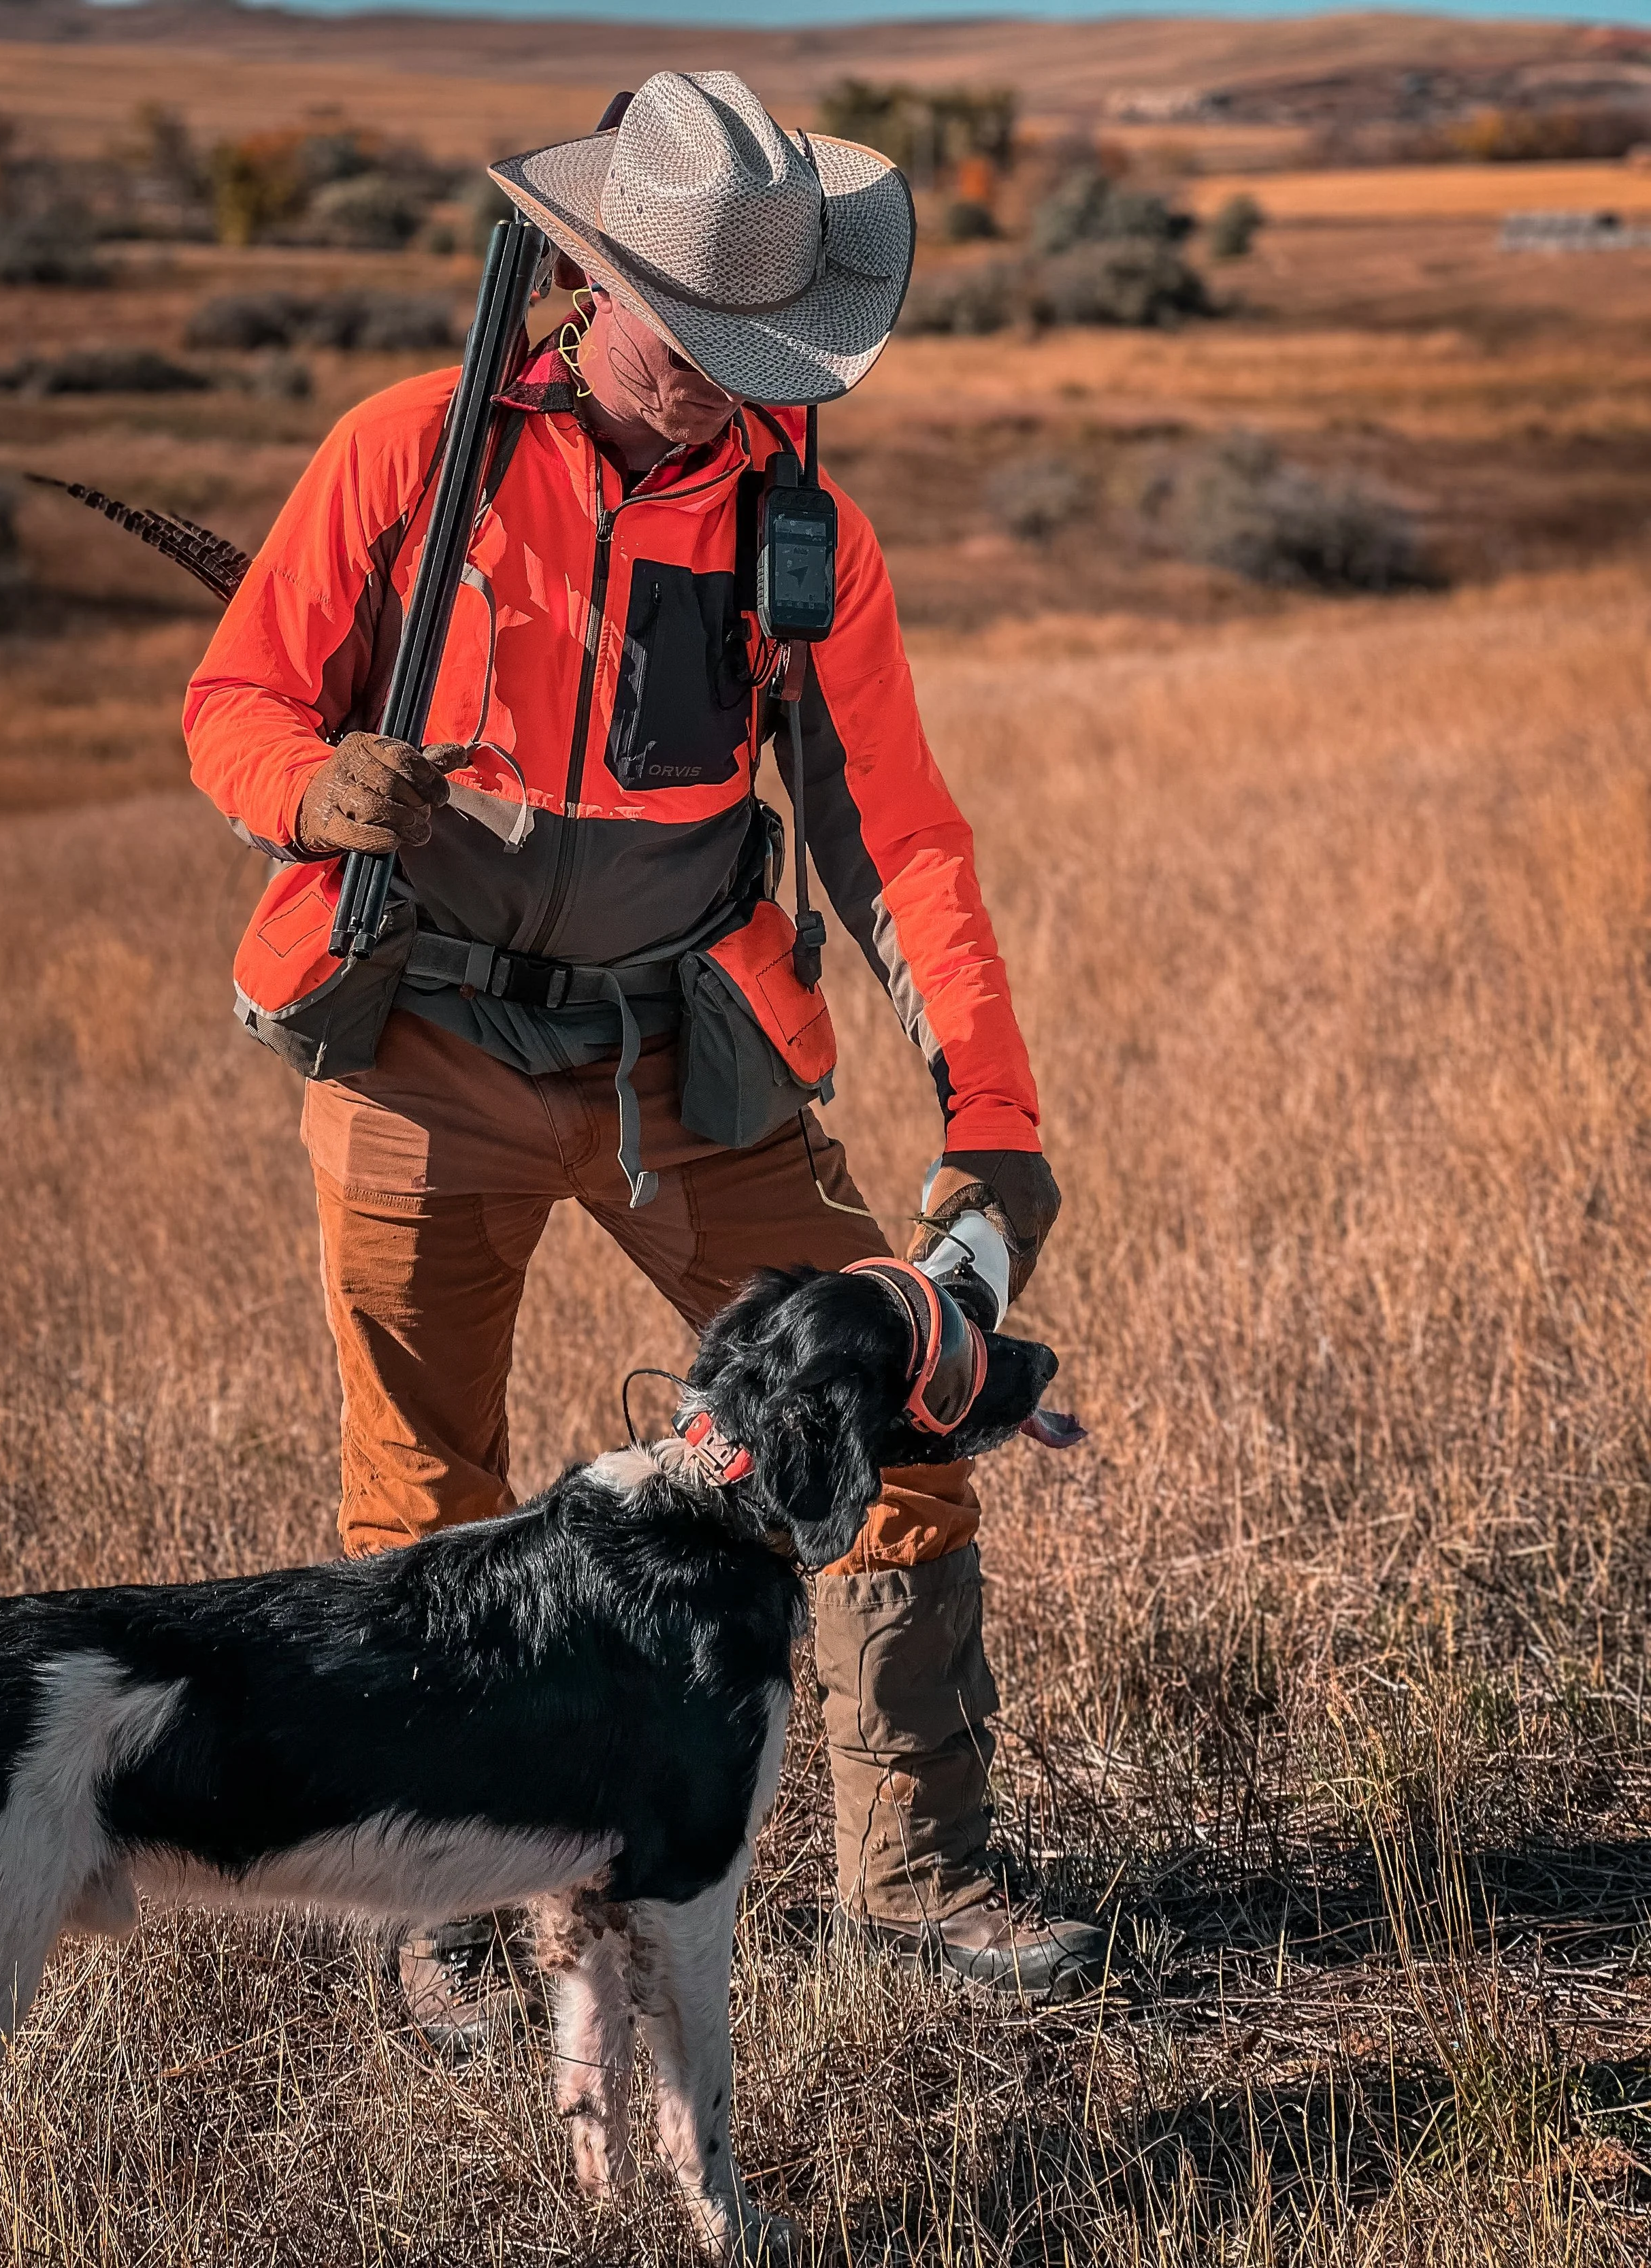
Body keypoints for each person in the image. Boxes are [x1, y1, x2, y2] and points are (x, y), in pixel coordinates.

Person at [183, 69, 1095, 2036]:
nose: (721, 384)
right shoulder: (402, 454)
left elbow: (899, 839)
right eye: (692, 339)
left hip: (699, 1056)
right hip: (417, 1042)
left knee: (903, 1414)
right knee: (421, 1498)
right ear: (586, 277)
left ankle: (917, 1874)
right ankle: (440, 1913)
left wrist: (993, 1114)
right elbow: (231, 696)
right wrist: (307, 784)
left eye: (761, 352)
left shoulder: (801, 534)